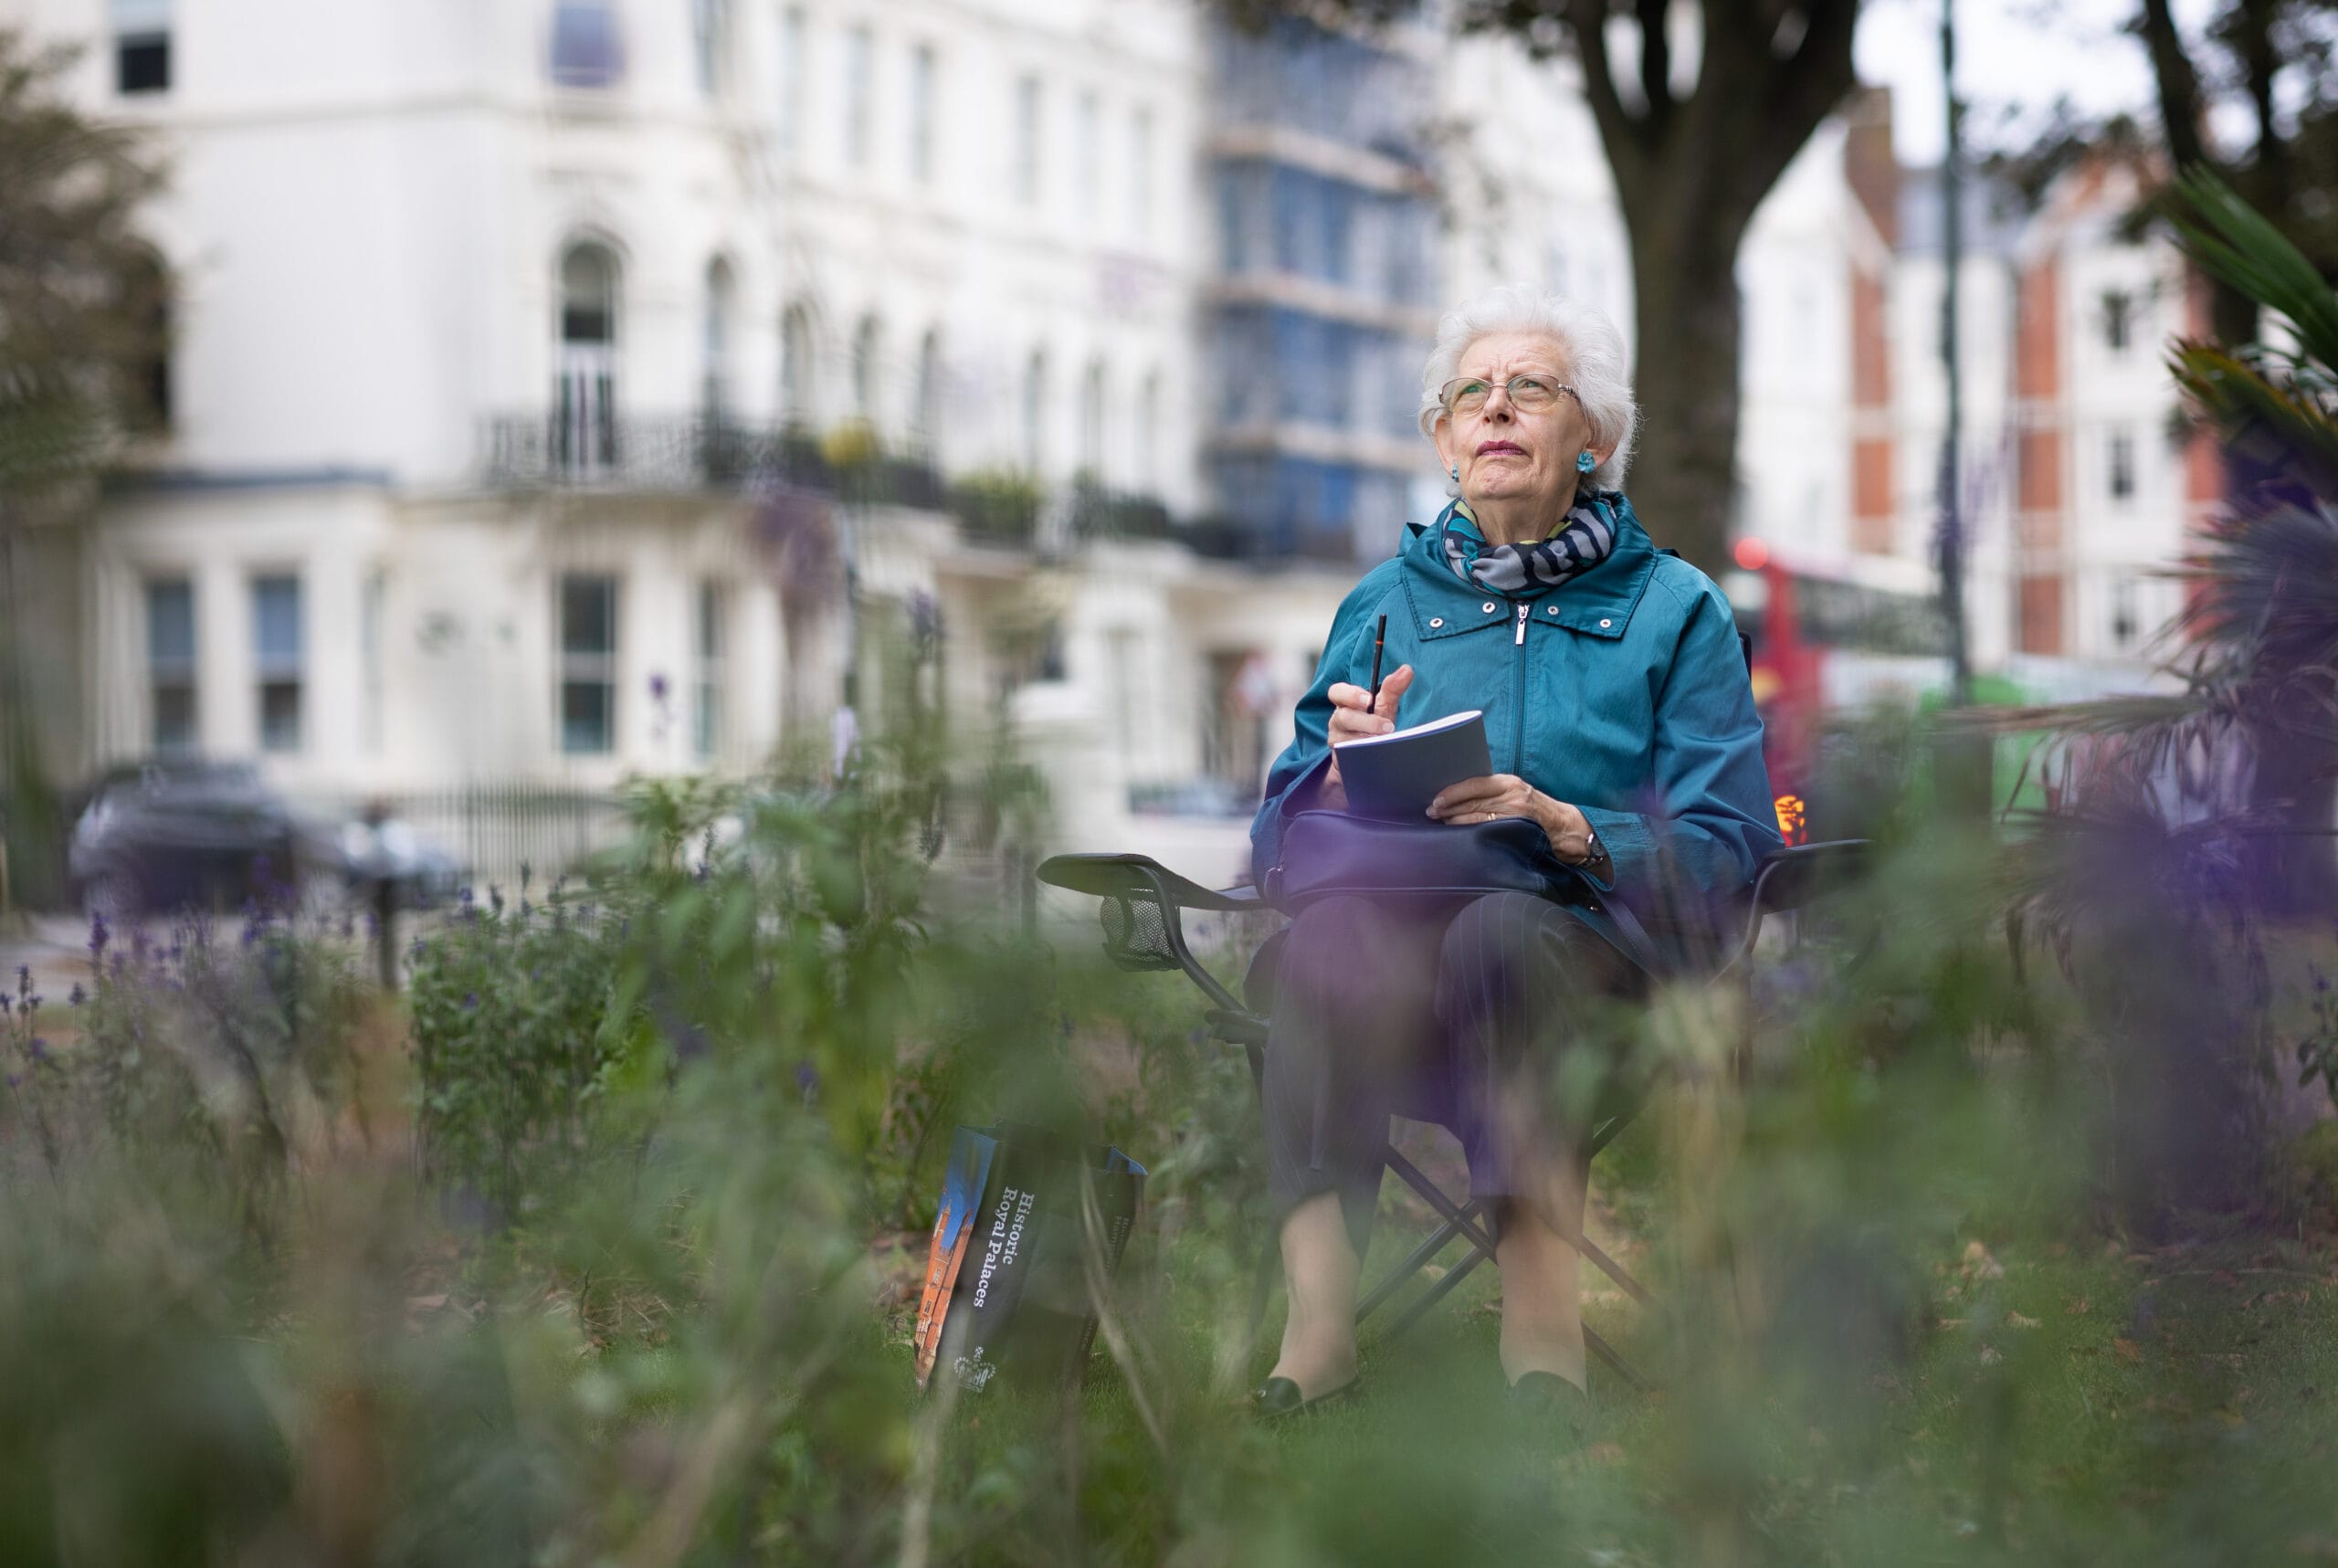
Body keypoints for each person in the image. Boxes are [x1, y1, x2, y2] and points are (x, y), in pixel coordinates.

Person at [1246, 285, 1781, 1421]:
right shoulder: (1382, 604)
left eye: (1529, 388)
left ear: (1592, 439)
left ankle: (1543, 1336)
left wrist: (1568, 824)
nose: (1494, 410)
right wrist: (1334, 775)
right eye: (1469, 395)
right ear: (1442, 439)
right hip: (1391, 972)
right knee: (1321, 941)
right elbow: (1275, 842)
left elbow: (1730, 847)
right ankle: (1316, 1332)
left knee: (1504, 930)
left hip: (1596, 973)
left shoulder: (1672, 608)